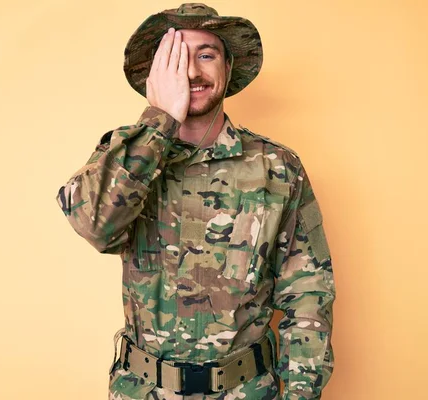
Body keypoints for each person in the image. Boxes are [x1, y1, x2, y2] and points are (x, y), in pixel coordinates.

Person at [55, 3, 336, 399]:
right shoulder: (125, 155)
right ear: (156, 75)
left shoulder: (276, 166)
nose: (190, 72)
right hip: (144, 390)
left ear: (228, 65)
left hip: (248, 390)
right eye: (175, 59)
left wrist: (301, 393)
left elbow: (308, 289)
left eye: (205, 54)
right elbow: (95, 225)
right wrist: (159, 120)